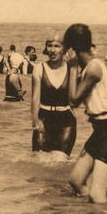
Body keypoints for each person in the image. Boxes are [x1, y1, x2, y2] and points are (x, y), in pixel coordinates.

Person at [65, 24, 107, 203]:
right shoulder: (87, 67)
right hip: (101, 132)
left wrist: (71, 67)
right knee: (76, 181)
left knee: (96, 194)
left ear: (72, 48)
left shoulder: (93, 68)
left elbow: (73, 101)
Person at [31, 31, 76, 159]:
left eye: (57, 46)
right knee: (39, 164)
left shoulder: (72, 69)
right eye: (49, 45)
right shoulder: (39, 68)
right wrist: (35, 121)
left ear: (64, 49)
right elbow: (35, 99)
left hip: (66, 122)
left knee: (59, 162)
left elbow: (75, 98)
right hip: (44, 120)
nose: (52, 50)